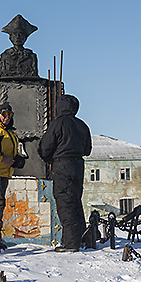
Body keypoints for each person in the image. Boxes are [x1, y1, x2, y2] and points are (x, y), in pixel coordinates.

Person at [38, 94, 92, 252]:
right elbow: (87, 150)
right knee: (75, 201)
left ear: (59, 107)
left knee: (65, 202)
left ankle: (70, 243)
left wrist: (48, 158)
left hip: (62, 165)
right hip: (78, 165)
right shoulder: (82, 125)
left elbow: (45, 147)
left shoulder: (57, 124)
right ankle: (82, 237)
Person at [0, 103, 21, 250]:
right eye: (4, 114)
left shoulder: (11, 133)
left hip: (5, 173)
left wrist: (18, 159)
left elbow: (15, 150)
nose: (7, 118)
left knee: (0, 205)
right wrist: (2, 158)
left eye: (10, 115)